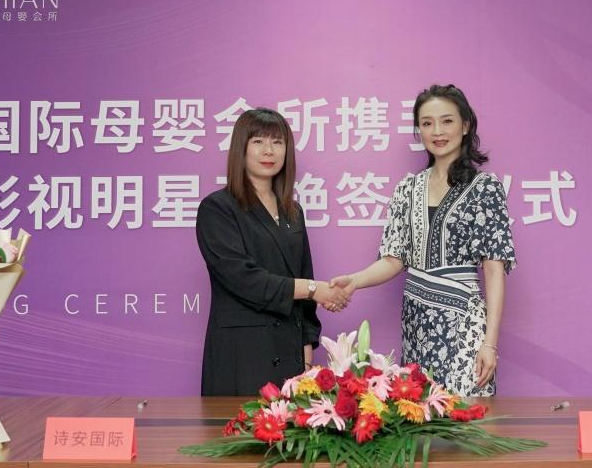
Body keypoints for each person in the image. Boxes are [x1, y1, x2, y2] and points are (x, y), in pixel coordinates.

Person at [330, 85, 515, 396]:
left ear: (465, 125)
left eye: (447, 121)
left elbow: (494, 270)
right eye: (427, 123)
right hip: (416, 322)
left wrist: (489, 344)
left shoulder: (485, 188)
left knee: (467, 414)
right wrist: (354, 281)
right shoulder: (408, 188)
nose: (437, 131)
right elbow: (393, 260)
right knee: (416, 411)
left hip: (464, 323)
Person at [196, 108, 350, 396]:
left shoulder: (293, 211)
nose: (269, 151)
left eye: (277, 142)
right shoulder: (217, 208)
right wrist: (314, 289)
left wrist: (306, 350)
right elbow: (244, 279)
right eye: (258, 141)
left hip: (290, 357)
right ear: (241, 148)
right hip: (242, 357)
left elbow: (304, 274)